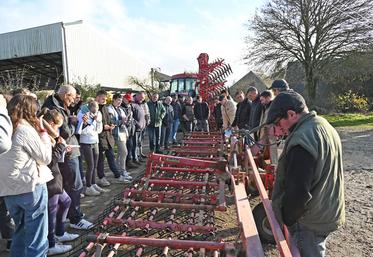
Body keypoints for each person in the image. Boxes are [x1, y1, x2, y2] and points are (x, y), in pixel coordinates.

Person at [266, 91, 345, 257]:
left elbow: (298, 192)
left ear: (291, 114)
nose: (279, 128)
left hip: (309, 221)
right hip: (325, 210)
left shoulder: (301, 140)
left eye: (279, 122)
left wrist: (287, 220)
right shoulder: (323, 125)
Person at [0, 94, 52, 257]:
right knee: (37, 239)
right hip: (30, 188)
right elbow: (45, 158)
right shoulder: (24, 129)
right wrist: (43, 132)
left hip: (9, 190)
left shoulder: (5, 129)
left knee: (20, 234)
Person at [42, 85, 92, 230]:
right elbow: (64, 132)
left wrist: (76, 120)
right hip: (67, 153)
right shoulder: (54, 108)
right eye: (73, 97)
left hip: (69, 150)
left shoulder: (59, 105)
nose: (74, 101)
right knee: (74, 185)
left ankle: (69, 219)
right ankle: (75, 219)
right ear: (66, 95)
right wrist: (73, 122)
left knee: (72, 186)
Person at [40, 108, 78, 255]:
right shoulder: (43, 136)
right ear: (50, 123)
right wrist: (60, 147)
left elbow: (56, 159)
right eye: (57, 126)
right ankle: (51, 244)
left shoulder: (50, 137)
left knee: (66, 201)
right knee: (51, 211)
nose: (59, 130)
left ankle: (60, 233)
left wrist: (63, 150)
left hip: (56, 178)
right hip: (49, 180)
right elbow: (49, 161)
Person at [76, 99, 105, 195]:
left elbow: (99, 130)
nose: (96, 111)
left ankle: (93, 183)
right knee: (90, 165)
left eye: (97, 109)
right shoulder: (82, 114)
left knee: (95, 165)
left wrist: (98, 121)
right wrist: (89, 121)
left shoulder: (96, 115)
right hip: (86, 142)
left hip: (95, 141)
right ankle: (88, 186)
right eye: (94, 109)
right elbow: (81, 131)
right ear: (90, 107)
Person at [96, 90, 122, 186]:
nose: (104, 100)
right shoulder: (95, 108)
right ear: (98, 97)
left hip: (108, 137)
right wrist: (104, 126)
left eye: (105, 99)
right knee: (101, 160)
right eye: (103, 98)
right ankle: (101, 177)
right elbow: (95, 123)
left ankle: (117, 175)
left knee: (111, 157)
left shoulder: (105, 108)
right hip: (100, 138)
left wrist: (111, 124)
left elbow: (108, 119)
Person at [107, 94, 132, 183]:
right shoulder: (109, 109)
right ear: (113, 100)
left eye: (121, 101)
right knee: (124, 152)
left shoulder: (120, 109)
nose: (119, 102)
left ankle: (119, 171)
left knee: (120, 154)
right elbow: (111, 122)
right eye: (118, 100)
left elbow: (124, 120)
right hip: (115, 134)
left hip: (122, 133)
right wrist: (122, 121)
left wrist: (126, 121)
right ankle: (122, 171)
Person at [131, 92, 147, 164]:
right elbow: (131, 117)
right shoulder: (133, 105)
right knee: (135, 144)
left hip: (141, 128)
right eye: (141, 97)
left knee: (139, 143)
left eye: (143, 98)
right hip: (136, 128)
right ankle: (135, 159)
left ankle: (138, 157)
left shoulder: (141, 105)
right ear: (137, 96)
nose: (142, 99)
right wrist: (137, 124)